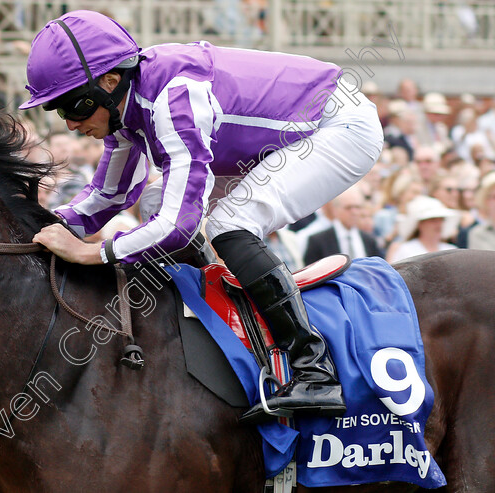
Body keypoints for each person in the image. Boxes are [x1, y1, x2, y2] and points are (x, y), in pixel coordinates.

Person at [22, 10, 383, 423]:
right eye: (57, 110)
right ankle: (214, 327)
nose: (70, 123)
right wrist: (39, 226)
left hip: (337, 125)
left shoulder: (174, 97)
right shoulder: (127, 102)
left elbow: (179, 228)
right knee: (159, 198)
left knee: (230, 222)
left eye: (75, 105)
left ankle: (313, 367)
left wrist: (93, 253)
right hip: (279, 137)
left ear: (109, 82)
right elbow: (109, 194)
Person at [303, 187, 383, 265]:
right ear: (336, 210)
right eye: (349, 208)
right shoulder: (318, 241)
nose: (354, 212)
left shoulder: (369, 240)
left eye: (357, 207)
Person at [385, 195, 458, 263]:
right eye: (433, 220)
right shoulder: (406, 250)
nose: (438, 224)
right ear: (420, 224)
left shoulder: (451, 250)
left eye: (441, 220)